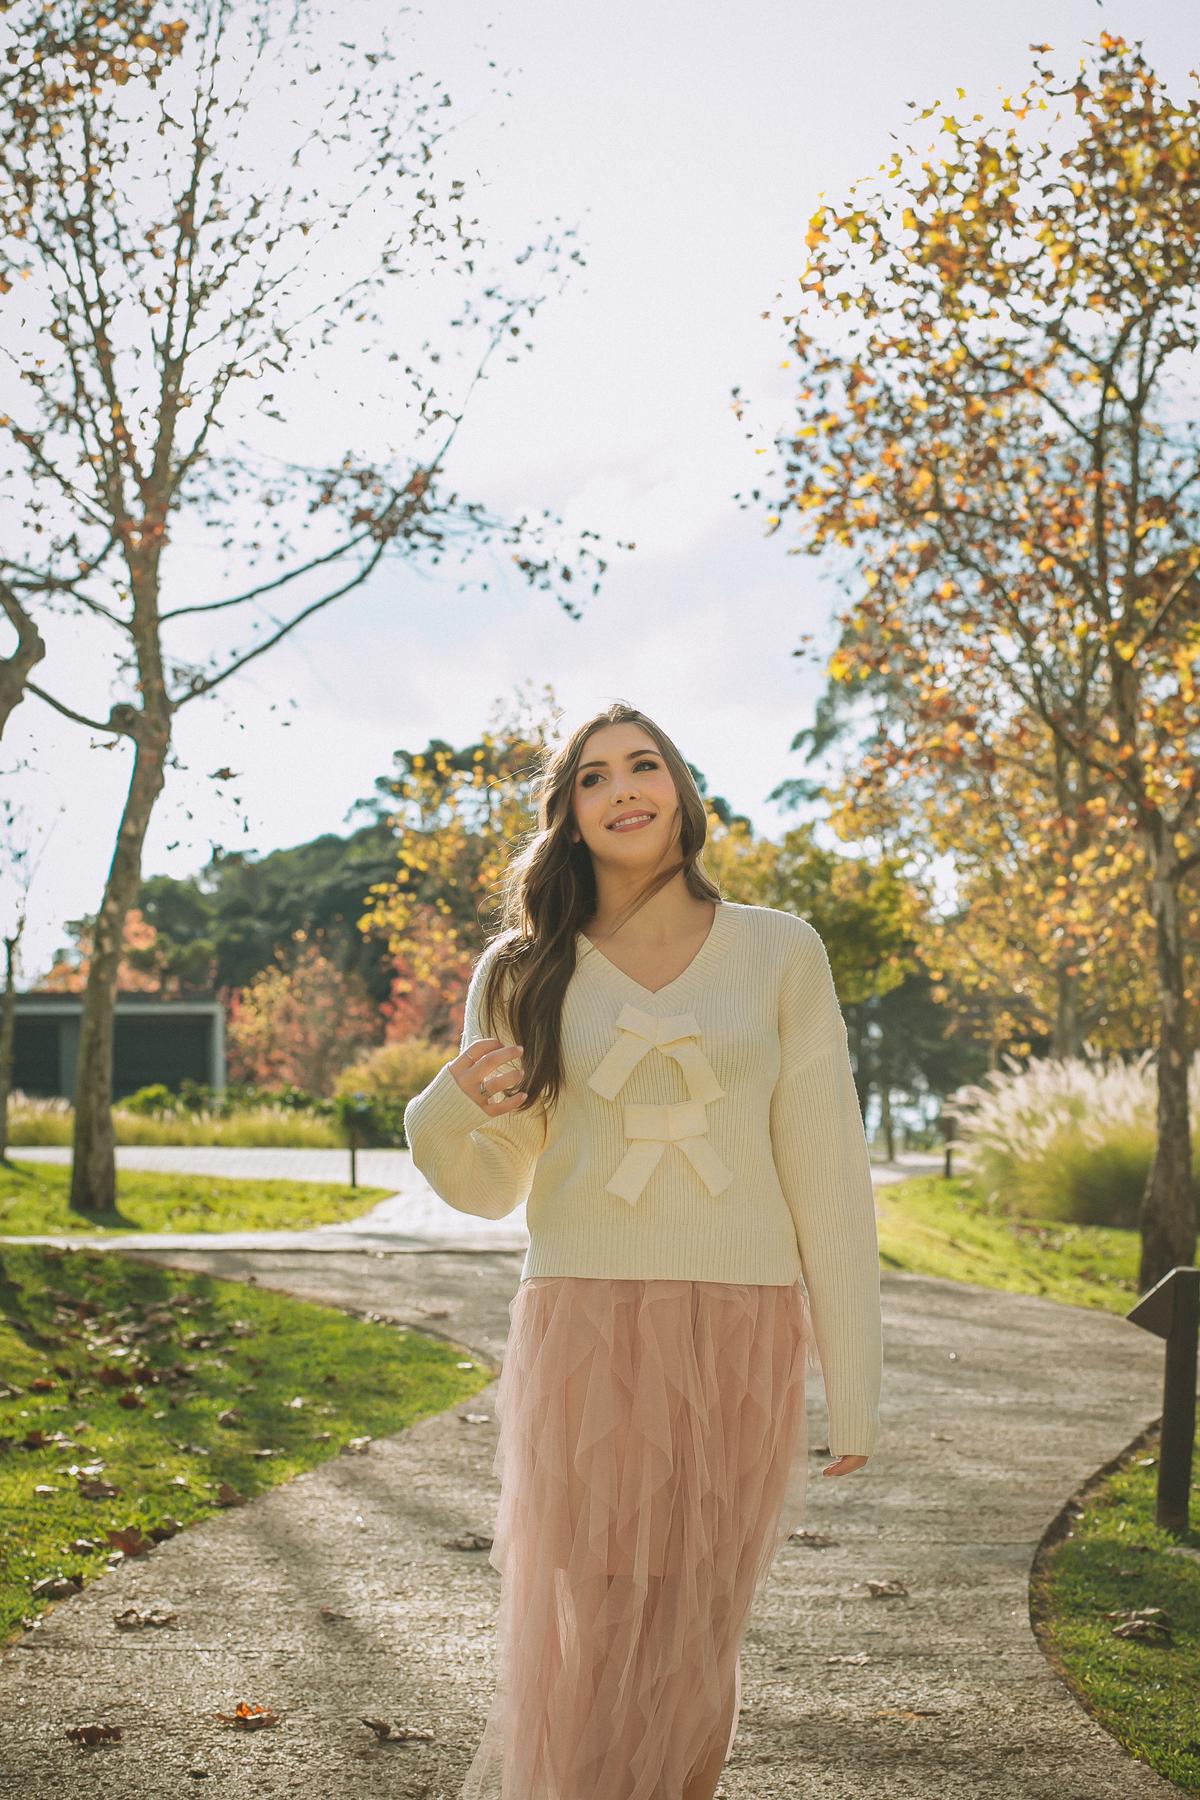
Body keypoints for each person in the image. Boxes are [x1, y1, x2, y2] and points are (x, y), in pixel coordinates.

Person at [405, 702, 883, 1800]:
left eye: (645, 765)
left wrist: (853, 1390)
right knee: (606, 1617)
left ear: (680, 790)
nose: (625, 788)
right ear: (567, 814)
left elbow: (828, 1177)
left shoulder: (780, 950)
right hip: (587, 1322)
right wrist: (440, 1111)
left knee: (699, 1634)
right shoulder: (522, 969)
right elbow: (490, 1186)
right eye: (593, 776)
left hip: (742, 1324)